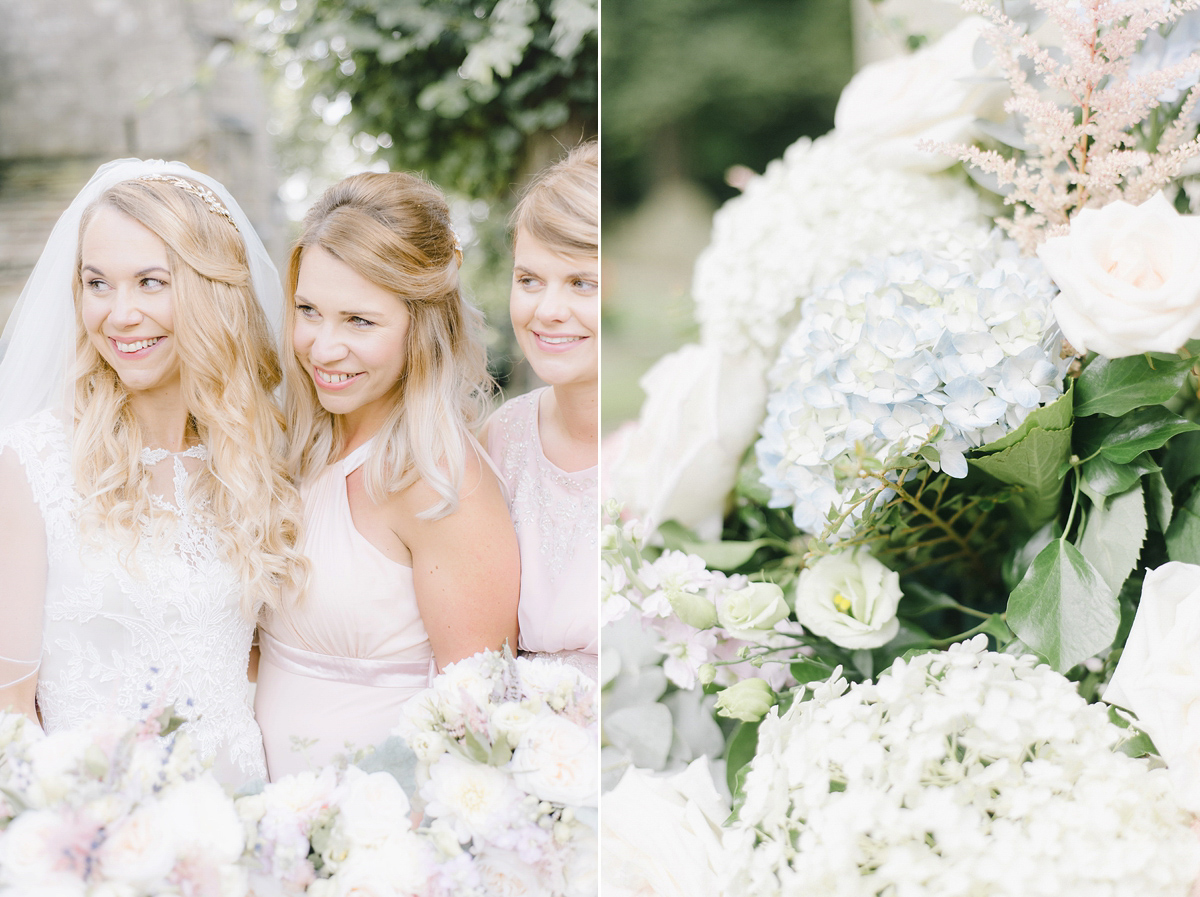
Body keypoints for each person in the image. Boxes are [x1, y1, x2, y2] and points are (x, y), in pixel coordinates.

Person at [0, 159, 305, 787]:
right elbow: (9, 712)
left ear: (209, 290)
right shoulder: (32, 464)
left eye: (150, 282)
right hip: (97, 837)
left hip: (245, 827)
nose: (119, 314)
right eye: (97, 283)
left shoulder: (264, 457)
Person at [254, 171, 520, 780]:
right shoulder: (296, 448)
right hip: (266, 820)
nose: (322, 348)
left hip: (382, 833)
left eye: (359, 321)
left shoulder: (441, 483)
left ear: (420, 328)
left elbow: (477, 721)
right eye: (309, 312)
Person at [485, 141, 599, 678]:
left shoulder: (669, 441)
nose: (547, 311)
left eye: (582, 283)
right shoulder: (499, 441)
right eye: (529, 279)